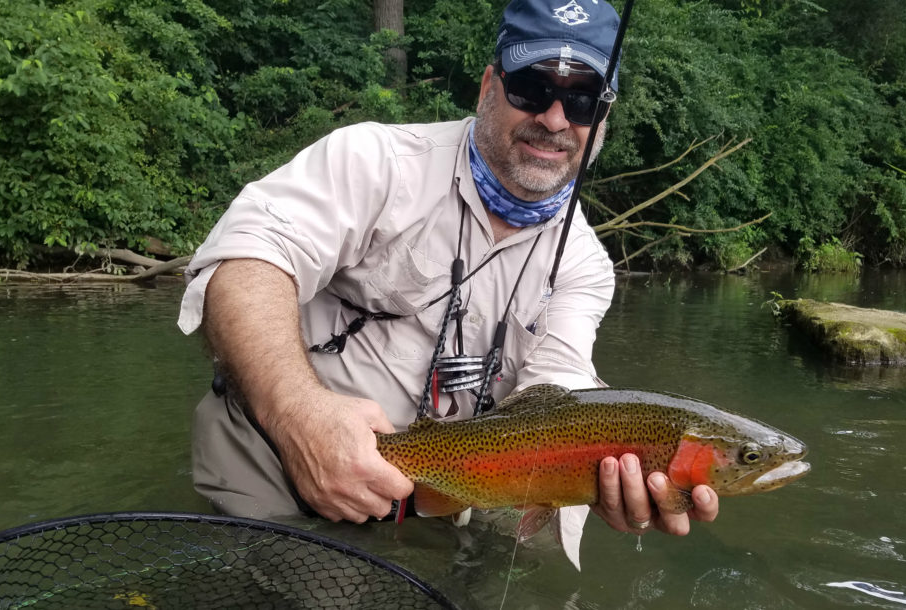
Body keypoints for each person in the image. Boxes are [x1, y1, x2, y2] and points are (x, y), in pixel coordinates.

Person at [177, 0, 718, 567]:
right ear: (489, 86)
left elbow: (560, 390)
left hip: (448, 486)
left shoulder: (584, 265)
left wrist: (596, 472)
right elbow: (245, 261)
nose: (556, 120)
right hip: (277, 453)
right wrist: (299, 418)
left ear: (602, 119)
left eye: (583, 100)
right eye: (532, 88)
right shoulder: (377, 161)